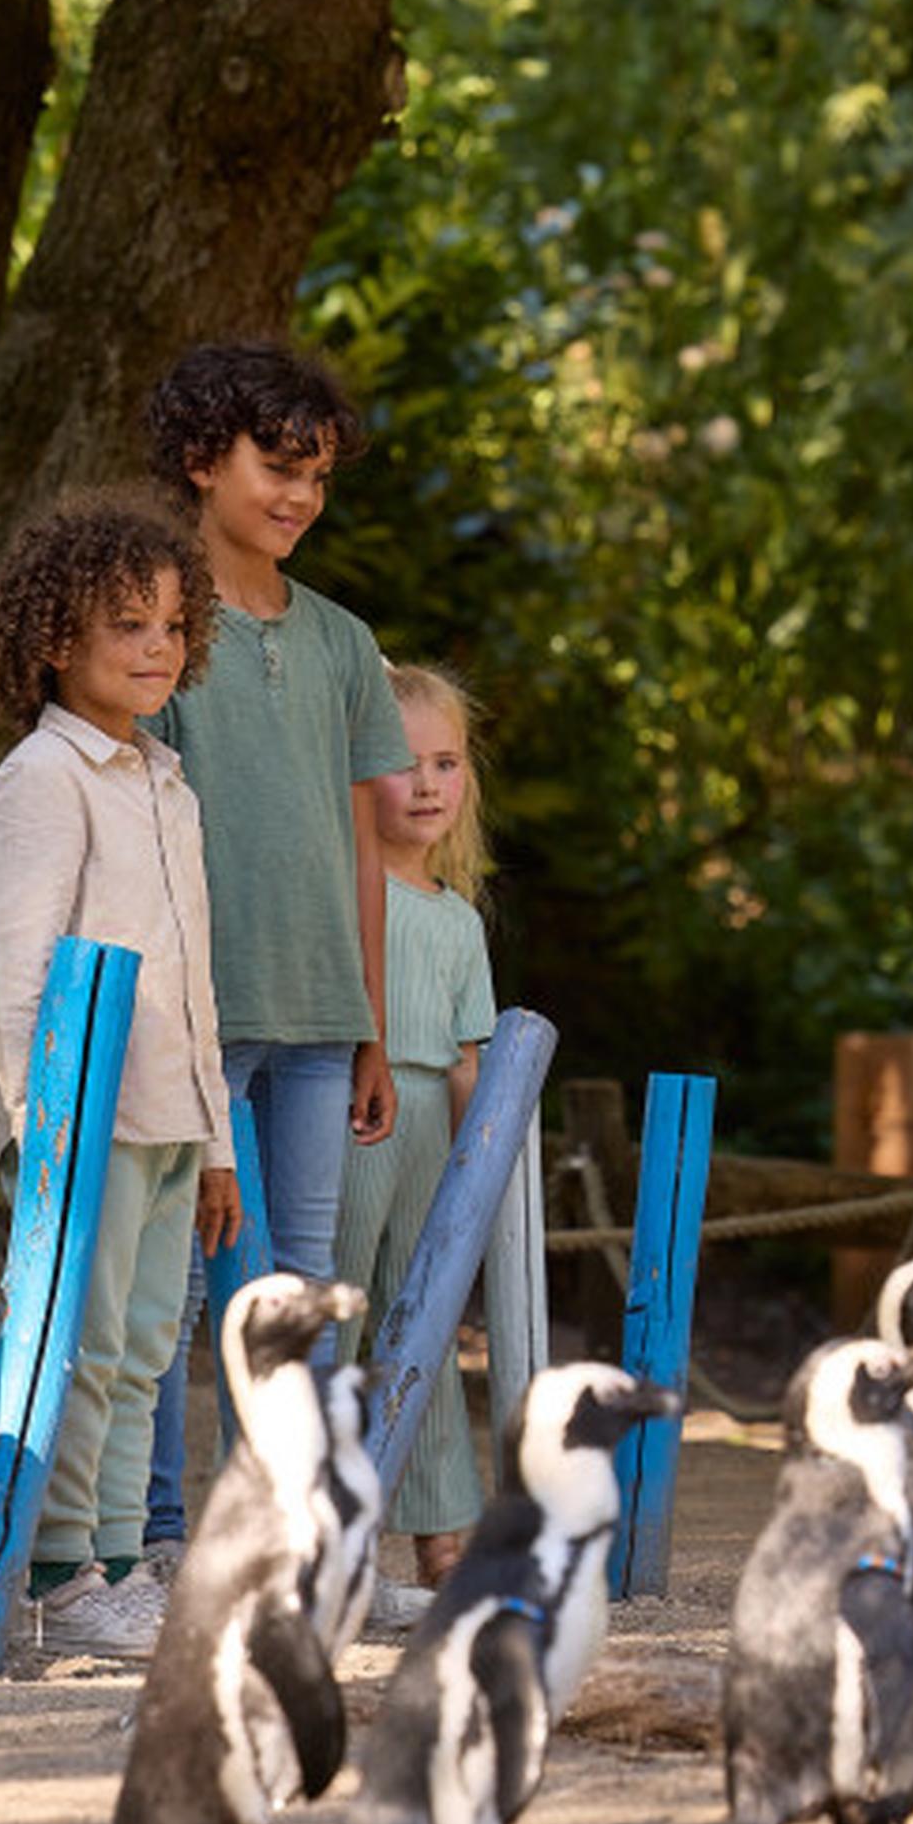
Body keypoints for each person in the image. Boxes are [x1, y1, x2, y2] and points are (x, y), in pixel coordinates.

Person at [134, 339, 414, 1557]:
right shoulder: (153, 624)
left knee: (301, 1281)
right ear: (204, 459)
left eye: (319, 476)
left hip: (319, 1020)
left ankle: (280, 1532)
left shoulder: (346, 642)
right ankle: (147, 1535)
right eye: (278, 467)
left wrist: (371, 1025)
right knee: (176, 1284)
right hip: (193, 1014)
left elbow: (362, 844)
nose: (301, 495)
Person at [0, 494, 244, 1660]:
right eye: (128, 623)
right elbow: (14, 973)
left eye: (174, 625)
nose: (157, 647)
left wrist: (218, 1141)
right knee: (78, 1345)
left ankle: (119, 1563)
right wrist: (46, 1130)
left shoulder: (166, 781)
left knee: (143, 1349)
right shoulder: (42, 778)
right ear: (54, 637)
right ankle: (59, 1569)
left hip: (172, 1116)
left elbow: (196, 981)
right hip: (84, 1123)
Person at [327, 664, 500, 1611]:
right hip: (356, 1117)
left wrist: (479, 1175)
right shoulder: (346, 896)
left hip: (433, 1127)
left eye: (448, 762)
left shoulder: (459, 920)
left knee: (423, 1324)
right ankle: (312, 1529)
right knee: (336, 1315)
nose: (429, 784)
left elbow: (470, 1060)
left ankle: (442, 1538)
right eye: (404, 763)